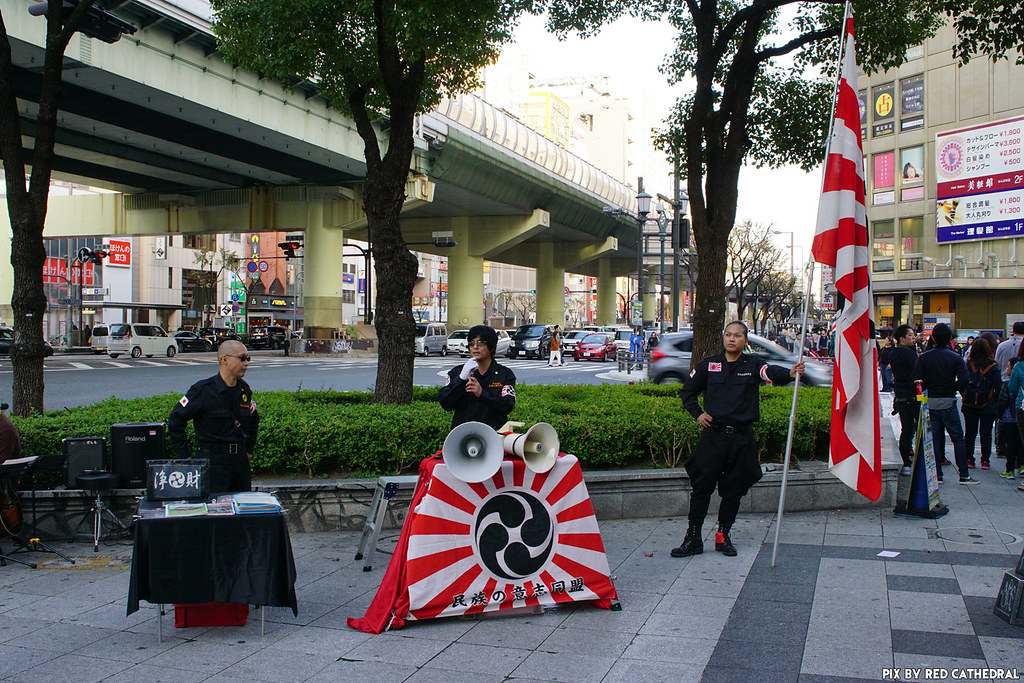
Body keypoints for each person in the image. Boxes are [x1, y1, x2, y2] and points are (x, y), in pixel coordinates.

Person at [672, 321, 805, 558]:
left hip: (741, 439)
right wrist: (697, 413)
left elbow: (769, 373)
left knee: (734, 490)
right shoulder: (709, 365)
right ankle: (693, 538)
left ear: (745, 341)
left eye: (737, 336)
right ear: (723, 338)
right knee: (701, 488)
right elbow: (687, 392)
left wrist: (790, 373)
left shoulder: (753, 365)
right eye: (728, 335)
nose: (732, 339)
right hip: (713, 437)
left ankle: (723, 536)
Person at [168, 340, 260, 493]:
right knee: (213, 509)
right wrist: (186, 457)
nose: (246, 363)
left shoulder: (243, 390)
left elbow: (253, 420)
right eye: (242, 358)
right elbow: (176, 420)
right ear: (224, 359)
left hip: (239, 463)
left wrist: (248, 450)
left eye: (248, 359)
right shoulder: (202, 390)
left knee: (242, 507)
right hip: (212, 462)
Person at [913, 323, 977, 484]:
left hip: (931, 400)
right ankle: (964, 474)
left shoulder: (925, 357)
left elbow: (916, 378)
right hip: (948, 399)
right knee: (957, 438)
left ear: (932, 337)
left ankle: (937, 474)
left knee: (933, 439)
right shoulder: (955, 357)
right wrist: (951, 386)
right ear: (949, 338)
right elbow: (963, 380)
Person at [439, 325, 516, 431]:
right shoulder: (458, 372)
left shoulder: (505, 374)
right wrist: (461, 379)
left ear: (492, 346)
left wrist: (482, 393)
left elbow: (508, 405)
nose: (475, 347)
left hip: (493, 433)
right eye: (471, 343)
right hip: (463, 433)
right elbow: (446, 403)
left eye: (481, 343)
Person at [961, 337, 1001, 470]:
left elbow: (962, 382)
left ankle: (969, 458)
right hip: (987, 404)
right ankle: (985, 460)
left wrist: (965, 395)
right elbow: (999, 386)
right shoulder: (993, 366)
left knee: (970, 432)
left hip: (969, 403)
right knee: (986, 433)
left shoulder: (968, 363)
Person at [888, 325, 920, 476]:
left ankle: (906, 460)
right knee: (910, 429)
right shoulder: (908, 354)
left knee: (906, 428)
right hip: (911, 395)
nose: (913, 338)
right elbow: (916, 372)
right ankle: (907, 460)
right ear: (902, 338)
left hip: (901, 395)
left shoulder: (895, 353)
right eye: (911, 335)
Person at [995, 358, 1022, 480]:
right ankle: (1021, 465)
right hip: (1016, 416)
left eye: (1008, 367)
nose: (1007, 369)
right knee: (1021, 442)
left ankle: (1010, 470)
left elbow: (1003, 400)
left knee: (1010, 444)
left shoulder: (1008, 384)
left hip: (1010, 417)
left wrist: (999, 415)